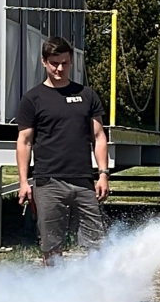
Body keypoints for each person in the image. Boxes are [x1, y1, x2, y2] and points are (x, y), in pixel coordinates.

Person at [16, 36, 110, 265]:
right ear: (44, 62)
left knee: (96, 243)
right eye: (54, 63)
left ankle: (97, 292)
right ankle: (55, 293)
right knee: (51, 244)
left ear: (71, 63)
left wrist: (103, 174)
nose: (59, 68)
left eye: (64, 63)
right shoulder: (32, 99)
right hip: (48, 181)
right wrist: (23, 181)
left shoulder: (87, 95)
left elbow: (98, 136)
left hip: (83, 181)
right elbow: (24, 141)